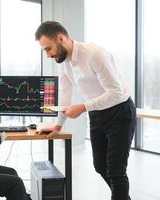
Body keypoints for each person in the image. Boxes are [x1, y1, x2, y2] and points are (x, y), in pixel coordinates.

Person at [35, 21, 136, 200]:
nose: (48, 55)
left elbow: (116, 93)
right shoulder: (63, 62)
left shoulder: (94, 54)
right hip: (97, 114)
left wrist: (82, 107)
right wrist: (58, 126)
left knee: (116, 171)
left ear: (61, 38)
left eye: (48, 49)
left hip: (120, 112)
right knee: (100, 166)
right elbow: (65, 94)